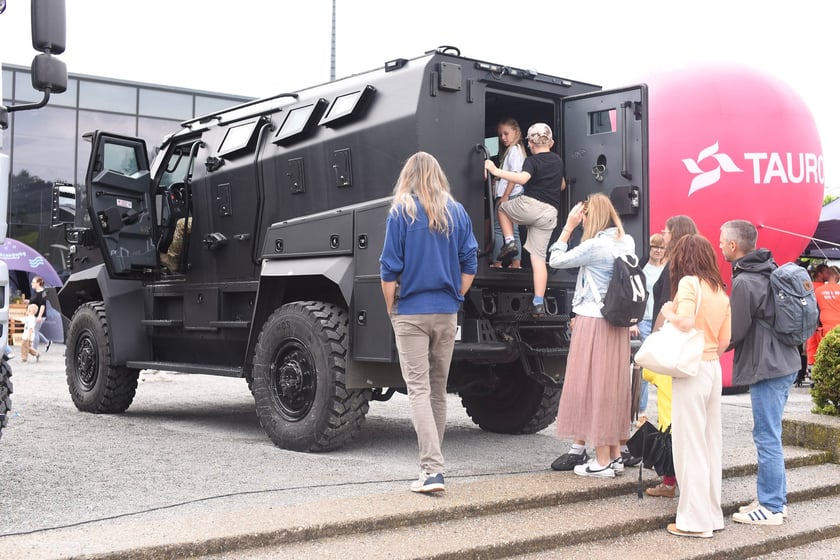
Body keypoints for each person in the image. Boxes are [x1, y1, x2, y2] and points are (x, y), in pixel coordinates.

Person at [379, 151, 478, 494]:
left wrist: (392, 309)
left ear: (408, 175)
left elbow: (389, 269)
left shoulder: (401, 211)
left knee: (418, 390)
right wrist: (456, 297)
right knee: (437, 390)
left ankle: (432, 471)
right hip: (446, 312)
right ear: (438, 175)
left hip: (412, 312)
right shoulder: (457, 212)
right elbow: (470, 263)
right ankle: (432, 466)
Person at [547, 193, 634, 477]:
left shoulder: (595, 246)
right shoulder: (626, 241)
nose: (581, 219)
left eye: (584, 215)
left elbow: (556, 260)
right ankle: (616, 455)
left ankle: (602, 461)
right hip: (617, 322)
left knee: (592, 386)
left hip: (594, 321)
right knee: (611, 387)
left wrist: (568, 227)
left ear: (591, 217)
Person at [720, 219, 798, 526]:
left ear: (733, 246)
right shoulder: (769, 268)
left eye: (722, 240)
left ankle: (771, 507)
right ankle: (775, 499)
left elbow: (734, 331)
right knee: (771, 434)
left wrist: (705, 347)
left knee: (767, 437)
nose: (719, 244)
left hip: (767, 367)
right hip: (785, 362)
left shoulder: (744, 281)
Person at [662, 234, 731, 538]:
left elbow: (686, 322)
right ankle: (712, 515)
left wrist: (668, 313)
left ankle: (693, 522)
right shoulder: (720, 290)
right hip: (712, 366)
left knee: (689, 446)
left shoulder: (689, 283)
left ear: (683, 257)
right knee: (709, 443)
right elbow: (726, 341)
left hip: (691, 370)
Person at [484, 123, 566, 316]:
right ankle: (538, 302)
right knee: (538, 260)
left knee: (502, 208)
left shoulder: (532, 161)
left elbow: (522, 179)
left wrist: (495, 170)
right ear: (551, 142)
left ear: (530, 143)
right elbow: (562, 185)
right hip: (549, 214)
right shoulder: (558, 161)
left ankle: (510, 242)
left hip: (531, 205)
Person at [631, 233, 666, 421]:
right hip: (644, 319)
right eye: (655, 247)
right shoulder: (642, 269)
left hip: (662, 321)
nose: (658, 251)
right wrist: (634, 320)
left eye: (661, 248)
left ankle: (664, 410)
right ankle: (641, 409)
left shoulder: (667, 269)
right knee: (643, 365)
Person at [489, 118, 525, 269]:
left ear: (516, 132)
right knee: (513, 230)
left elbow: (515, 176)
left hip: (509, 196)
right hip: (513, 195)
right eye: (500, 135)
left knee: (498, 229)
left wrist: (504, 196)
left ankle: (497, 263)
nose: (503, 138)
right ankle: (516, 263)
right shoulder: (514, 150)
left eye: (506, 133)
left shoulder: (514, 150)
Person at [651, 216, 698, 328]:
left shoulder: (674, 265)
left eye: (665, 232)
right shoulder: (696, 264)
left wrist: (655, 334)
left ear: (674, 234)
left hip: (670, 329)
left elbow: (666, 304)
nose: (663, 236)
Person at [641, 368, 677, 496]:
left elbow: (646, 372)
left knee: (669, 454)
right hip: (688, 422)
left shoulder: (662, 369)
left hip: (669, 424)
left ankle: (668, 485)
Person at [27, 276, 51, 352]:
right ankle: (47, 342)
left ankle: (35, 349)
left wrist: (40, 316)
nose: (31, 284)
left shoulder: (44, 293)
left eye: (33, 282)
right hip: (33, 315)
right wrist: (28, 301)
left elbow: (43, 305)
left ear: (38, 283)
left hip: (40, 315)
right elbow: (34, 301)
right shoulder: (35, 291)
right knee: (35, 330)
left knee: (35, 331)